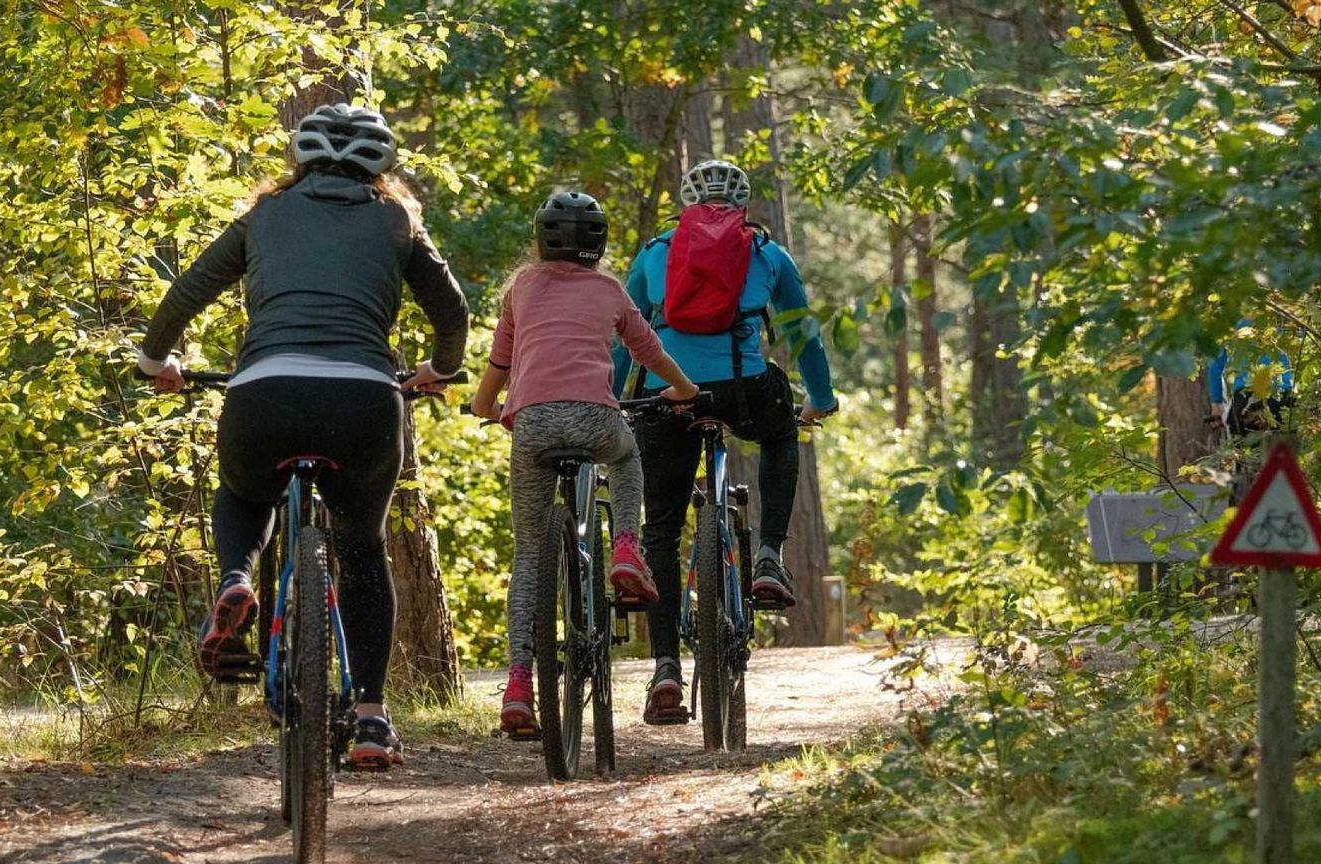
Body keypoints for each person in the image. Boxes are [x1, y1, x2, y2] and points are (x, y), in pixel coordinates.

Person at [135, 104, 469, 770]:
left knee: (244, 492)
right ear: (382, 166)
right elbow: (452, 311)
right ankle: (371, 717)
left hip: (266, 390)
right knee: (364, 551)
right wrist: (441, 369)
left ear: (301, 159)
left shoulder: (263, 215)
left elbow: (186, 293)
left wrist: (156, 363)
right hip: (364, 398)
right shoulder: (398, 219)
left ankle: (236, 578)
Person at [612, 159, 837, 725]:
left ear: (688, 203)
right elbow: (802, 332)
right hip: (744, 390)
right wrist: (822, 396)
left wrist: (614, 395)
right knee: (781, 436)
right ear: (742, 203)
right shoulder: (766, 253)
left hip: (668, 394)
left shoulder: (656, 252)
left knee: (660, 529)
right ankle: (767, 557)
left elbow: (623, 333)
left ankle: (665, 667)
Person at [470, 191, 699, 736]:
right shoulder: (610, 291)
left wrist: (485, 407)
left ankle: (520, 685)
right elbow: (648, 351)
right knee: (626, 457)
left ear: (541, 239)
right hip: (598, 420)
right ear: (598, 245)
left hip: (532, 425)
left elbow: (501, 360)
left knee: (528, 557)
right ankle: (625, 546)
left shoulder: (521, 289)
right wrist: (685, 390)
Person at [1208, 324, 1296, 438]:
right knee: (1287, 450)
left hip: (1246, 397)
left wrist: (1217, 404)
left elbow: (1215, 367)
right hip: (1281, 394)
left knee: (1243, 448)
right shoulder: (1281, 321)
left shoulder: (1230, 325)